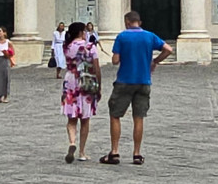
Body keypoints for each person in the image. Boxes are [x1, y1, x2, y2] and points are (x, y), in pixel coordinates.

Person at [100, 11, 173, 166]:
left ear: (127, 22)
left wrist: (118, 56)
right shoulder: (149, 36)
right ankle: (137, 153)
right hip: (143, 80)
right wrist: (155, 61)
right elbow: (168, 49)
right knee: (138, 117)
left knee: (115, 115)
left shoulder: (122, 37)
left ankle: (114, 152)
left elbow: (115, 60)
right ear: (139, 22)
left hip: (125, 81)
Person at [61, 21, 100, 163]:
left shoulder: (67, 47)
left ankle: (72, 142)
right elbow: (96, 67)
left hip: (70, 80)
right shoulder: (90, 46)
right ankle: (82, 152)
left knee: (71, 118)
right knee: (85, 118)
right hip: (86, 80)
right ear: (81, 32)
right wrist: (98, 86)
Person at [0, 27, 15, 103]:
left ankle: (5, 95)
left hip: (5, 60)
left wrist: (7, 53)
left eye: (0, 31)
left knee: (5, 77)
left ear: (4, 33)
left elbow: (13, 52)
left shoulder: (8, 42)